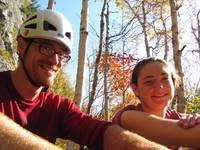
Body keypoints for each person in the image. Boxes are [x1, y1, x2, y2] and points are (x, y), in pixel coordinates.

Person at [0, 10, 168, 150]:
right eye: (46, 48)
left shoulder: (57, 107)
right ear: (21, 46)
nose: (55, 61)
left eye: (62, 54)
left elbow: (102, 133)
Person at [112, 57, 200, 148]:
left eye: (165, 78)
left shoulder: (179, 118)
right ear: (135, 89)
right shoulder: (127, 117)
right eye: (149, 81)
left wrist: (196, 119)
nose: (160, 87)